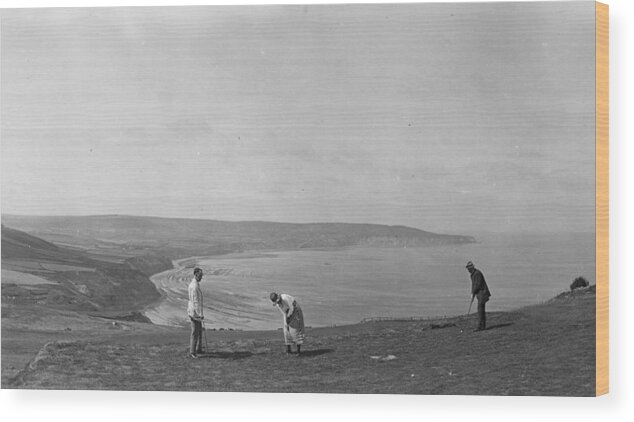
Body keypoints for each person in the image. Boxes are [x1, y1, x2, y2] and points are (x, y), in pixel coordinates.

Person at [466, 261, 491, 331]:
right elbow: (474, 285)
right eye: (467, 269)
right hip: (479, 293)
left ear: (472, 268)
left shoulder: (477, 273)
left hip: (483, 293)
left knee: (480, 310)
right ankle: (482, 326)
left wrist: (473, 293)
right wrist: (472, 294)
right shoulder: (473, 274)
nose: (468, 271)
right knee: (481, 310)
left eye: (469, 269)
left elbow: (477, 285)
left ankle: (481, 326)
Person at [187, 267, 205, 358]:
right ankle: (192, 352)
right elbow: (195, 301)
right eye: (200, 275)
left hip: (194, 311)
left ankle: (198, 349)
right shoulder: (194, 286)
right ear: (196, 274)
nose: (202, 277)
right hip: (195, 313)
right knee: (195, 331)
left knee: (199, 331)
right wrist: (200, 314)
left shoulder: (194, 284)